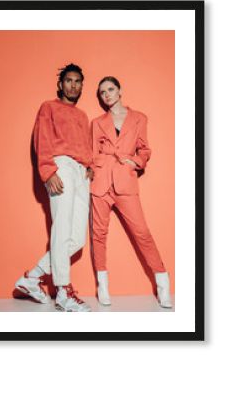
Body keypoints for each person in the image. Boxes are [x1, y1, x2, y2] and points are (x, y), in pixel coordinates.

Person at [14, 64, 94, 312]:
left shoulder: (82, 116)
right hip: (61, 167)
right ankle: (63, 291)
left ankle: (32, 277)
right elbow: (43, 139)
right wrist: (48, 171)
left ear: (82, 85)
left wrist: (90, 166)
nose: (73, 85)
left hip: (81, 173)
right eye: (68, 81)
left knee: (77, 238)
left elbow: (84, 145)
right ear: (61, 84)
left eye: (77, 81)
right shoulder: (48, 107)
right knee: (61, 229)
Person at [90, 76, 172, 308]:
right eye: (102, 92)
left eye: (110, 89)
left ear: (120, 90)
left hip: (125, 181)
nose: (106, 95)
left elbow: (145, 149)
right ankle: (103, 286)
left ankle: (163, 284)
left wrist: (134, 162)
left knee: (142, 233)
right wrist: (97, 166)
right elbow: (93, 152)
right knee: (99, 235)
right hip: (101, 183)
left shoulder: (138, 119)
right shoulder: (97, 122)